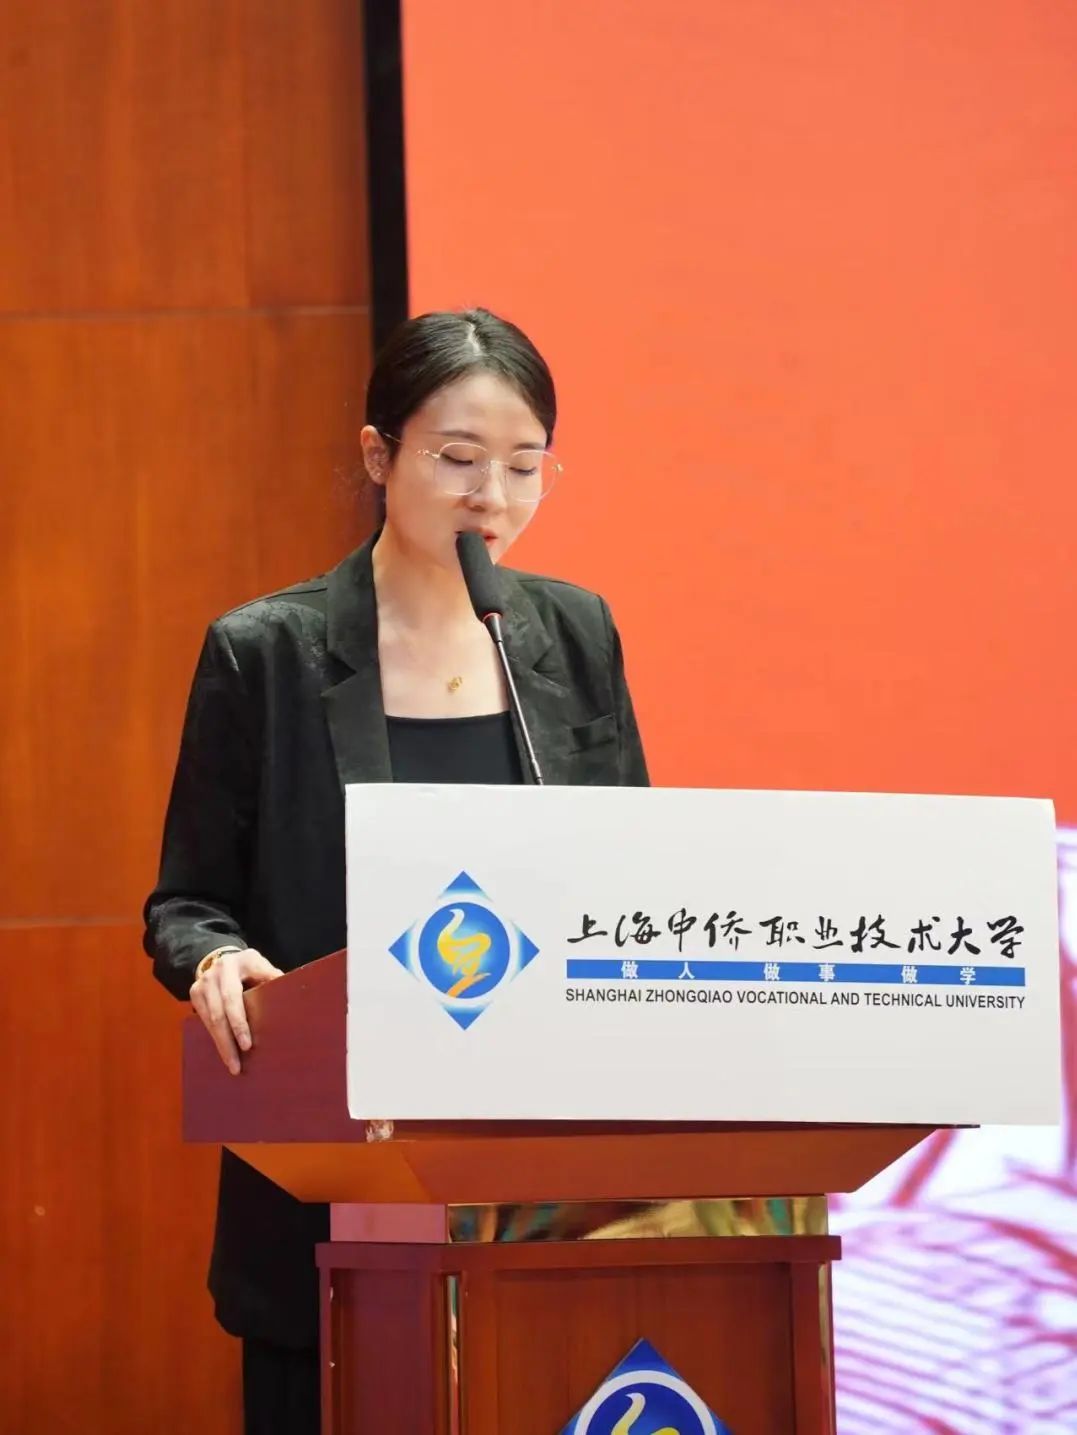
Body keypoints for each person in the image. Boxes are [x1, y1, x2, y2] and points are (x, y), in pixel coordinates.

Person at [143, 307, 648, 1434]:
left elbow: (629, 879)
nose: (491, 498)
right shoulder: (266, 652)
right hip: (334, 1161)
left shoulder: (573, 636)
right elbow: (187, 901)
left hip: (540, 1179)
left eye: (524, 466)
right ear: (379, 456)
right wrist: (215, 956)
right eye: (458, 459)